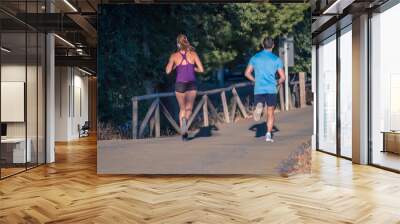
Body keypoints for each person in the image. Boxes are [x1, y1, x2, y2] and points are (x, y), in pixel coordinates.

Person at [244, 37, 286, 142]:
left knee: (260, 105)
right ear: (273, 46)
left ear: (263, 45)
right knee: (271, 112)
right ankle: (268, 134)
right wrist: (276, 82)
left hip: (259, 88)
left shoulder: (255, 58)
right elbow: (283, 77)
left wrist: (255, 80)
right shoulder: (276, 59)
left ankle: (260, 106)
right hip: (271, 88)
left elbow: (247, 73)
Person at [166, 34, 204, 141]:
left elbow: (168, 71)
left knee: (182, 108)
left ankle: (183, 131)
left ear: (178, 44)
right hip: (191, 84)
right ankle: (185, 122)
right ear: (186, 42)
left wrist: (175, 65)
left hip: (180, 84)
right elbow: (201, 69)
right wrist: (192, 68)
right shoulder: (193, 54)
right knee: (189, 109)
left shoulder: (174, 56)